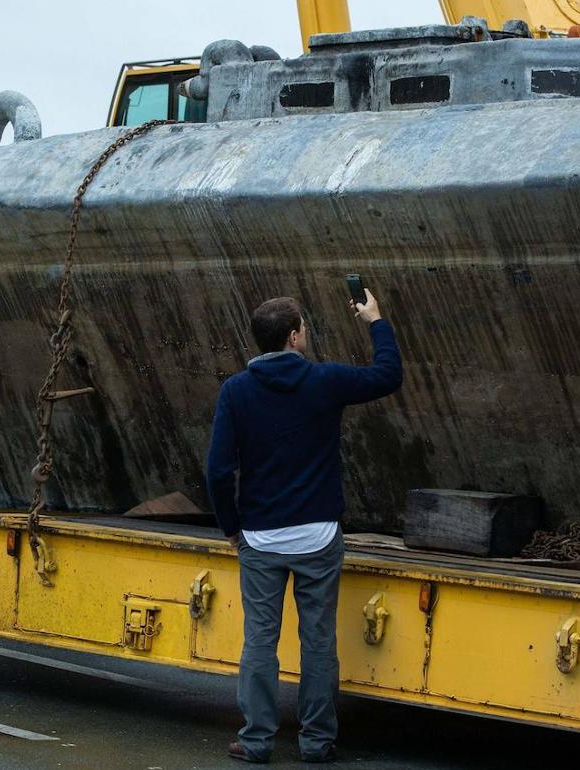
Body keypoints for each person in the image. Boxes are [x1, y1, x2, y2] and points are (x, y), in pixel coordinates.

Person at [206, 288, 402, 764]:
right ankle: (316, 742)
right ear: (294, 336)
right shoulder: (325, 380)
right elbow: (388, 375)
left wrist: (232, 528)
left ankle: (256, 742)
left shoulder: (236, 391)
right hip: (317, 536)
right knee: (317, 642)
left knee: (260, 642)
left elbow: (217, 470)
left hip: (261, 537)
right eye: (304, 328)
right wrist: (375, 320)